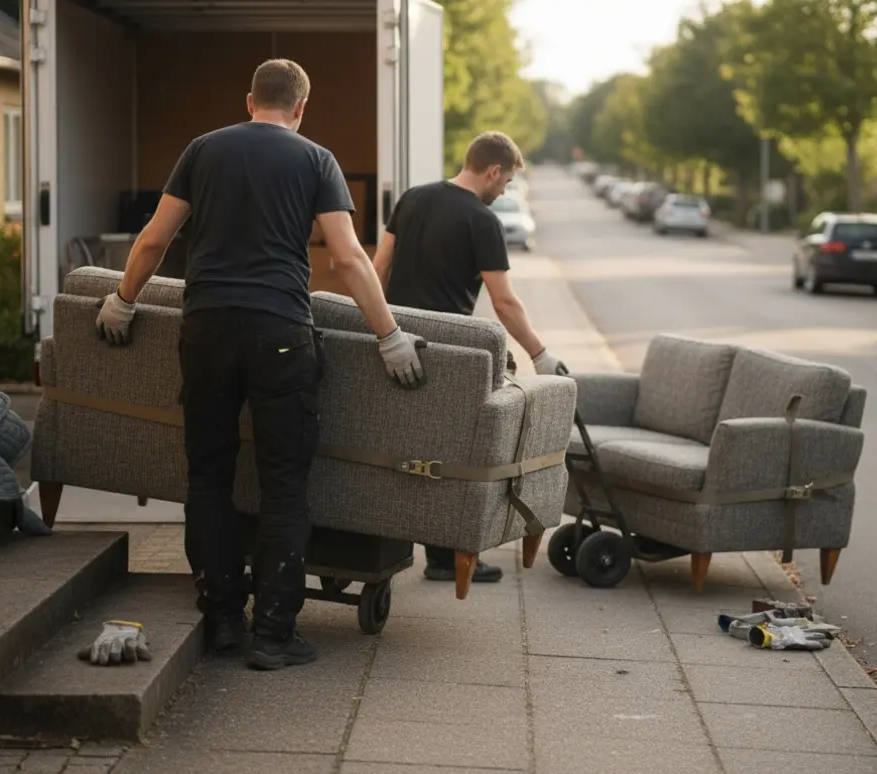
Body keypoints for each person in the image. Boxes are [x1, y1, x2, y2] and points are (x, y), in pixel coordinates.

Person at [95, 59, 426, 671]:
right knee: (283, 487)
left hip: (207, 330)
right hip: (279, 334)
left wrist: (122, 300)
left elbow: (153, 239)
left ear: (250, 101)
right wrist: (391, 336)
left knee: (208, 479)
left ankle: (221, 620)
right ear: (301, 108)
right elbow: (351, 259)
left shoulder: (203, 149)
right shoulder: (316, 159)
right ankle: (273, 634)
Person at [371, 131, 564, 585]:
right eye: (507, 181)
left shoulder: (413, 199)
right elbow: (504, 302)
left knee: (391, 446)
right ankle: (443, 559)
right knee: (448, 458)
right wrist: (540, 354)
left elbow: (378, 267)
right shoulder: (482, 221)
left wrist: (374, 330)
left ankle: (382, 543)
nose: (505, 191)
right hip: (446, 354)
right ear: (493, 171)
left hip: (396, 341)